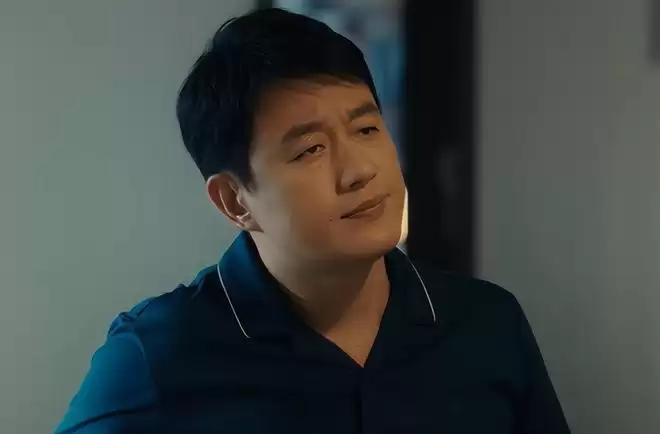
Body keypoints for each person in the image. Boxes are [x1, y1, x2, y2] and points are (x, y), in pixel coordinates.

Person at [55, 8, 570, 434]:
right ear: (235, 201)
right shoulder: (155, 355)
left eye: (367, 129)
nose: (360, 170)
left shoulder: (486, 324)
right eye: (310, 150)